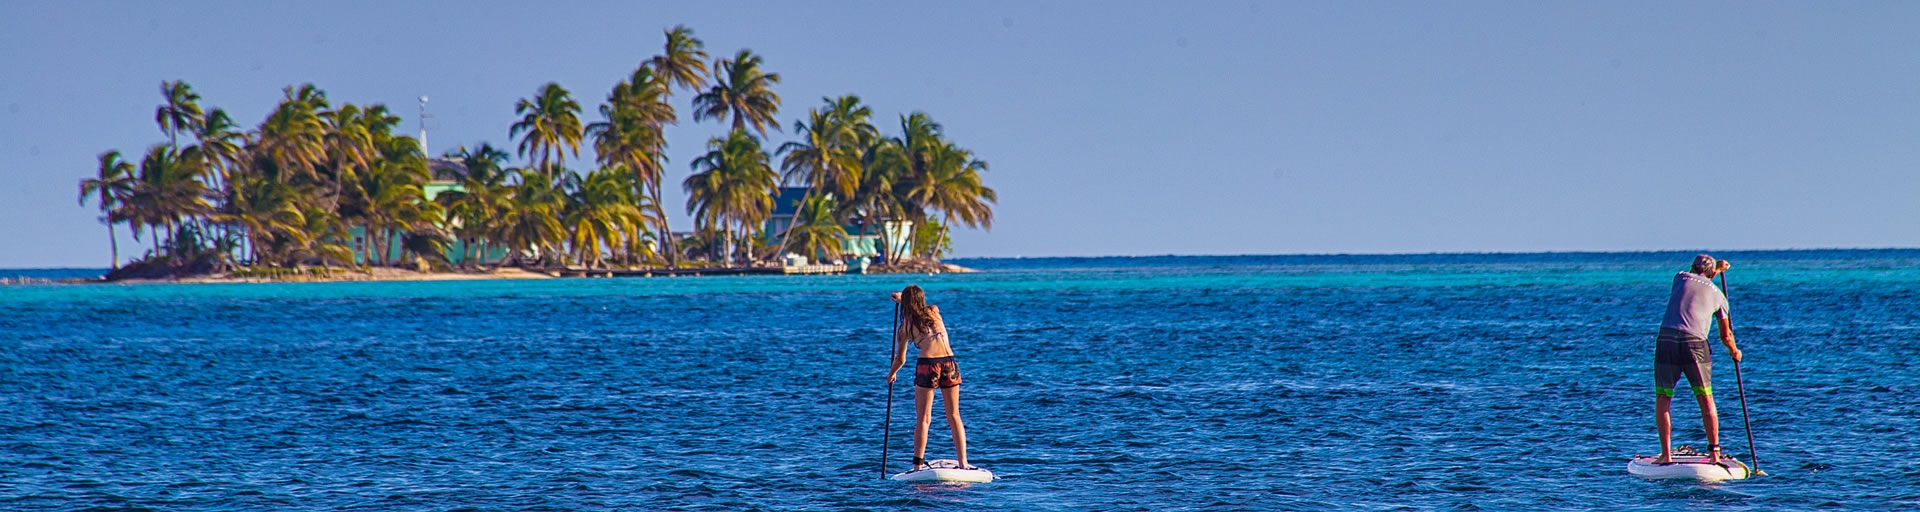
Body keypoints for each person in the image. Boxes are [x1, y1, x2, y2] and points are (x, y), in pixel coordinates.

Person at [1653, 254, 1743, 464]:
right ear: (1712, 274)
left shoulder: (1680, 278)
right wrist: (1734, 351)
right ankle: (1714, 454)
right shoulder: (1720, 297)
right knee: (1705, 398)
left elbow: (1700, 277)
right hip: (1695, 344)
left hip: (1666, 340)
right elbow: (1726, 335)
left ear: (1692, 267)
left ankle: (1665, 456)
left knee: (1663, 398)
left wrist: (1717, 269)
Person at [887, 284, 972, 471]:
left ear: (906, 304)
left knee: (924, 418)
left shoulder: (905, 328)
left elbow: (900, 359)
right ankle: (963, 463)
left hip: (928, 365)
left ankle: (917, 467)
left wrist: (891, 374)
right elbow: (919, 308)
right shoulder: (934, 311)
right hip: (949, 363)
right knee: (954, 415)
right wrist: (904, 299)